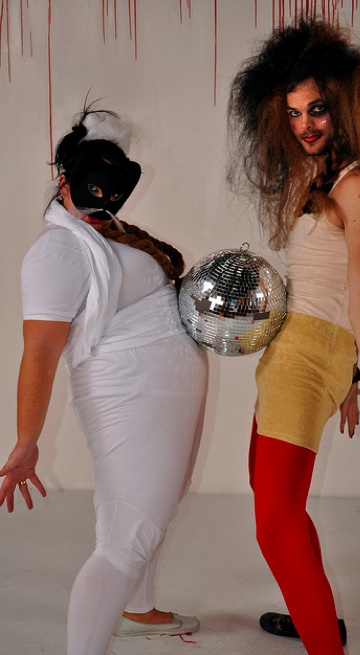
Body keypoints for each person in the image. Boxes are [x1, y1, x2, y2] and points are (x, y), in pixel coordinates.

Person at [227, 18, 360, 654]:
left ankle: (323, 644)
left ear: (346, 105)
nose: (305, 124)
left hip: (307, 357)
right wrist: (352, 378)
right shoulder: (319, 175)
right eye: (292, 113)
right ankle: (315, 616)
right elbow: (331, 289)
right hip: (294, 350)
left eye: (317, 108)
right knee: (274, 502)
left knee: (274, 524)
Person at [0, 105, 208, 655]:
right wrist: (26, 441)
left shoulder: (106, 231)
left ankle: (136, 610)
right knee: (127, 536)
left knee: (153, 509)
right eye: (91, 196)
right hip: (129, 396)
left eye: (111, 198)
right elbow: (41, 351)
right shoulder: (57, 250)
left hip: (161, 394)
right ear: (63, 182)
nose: (101, 210)